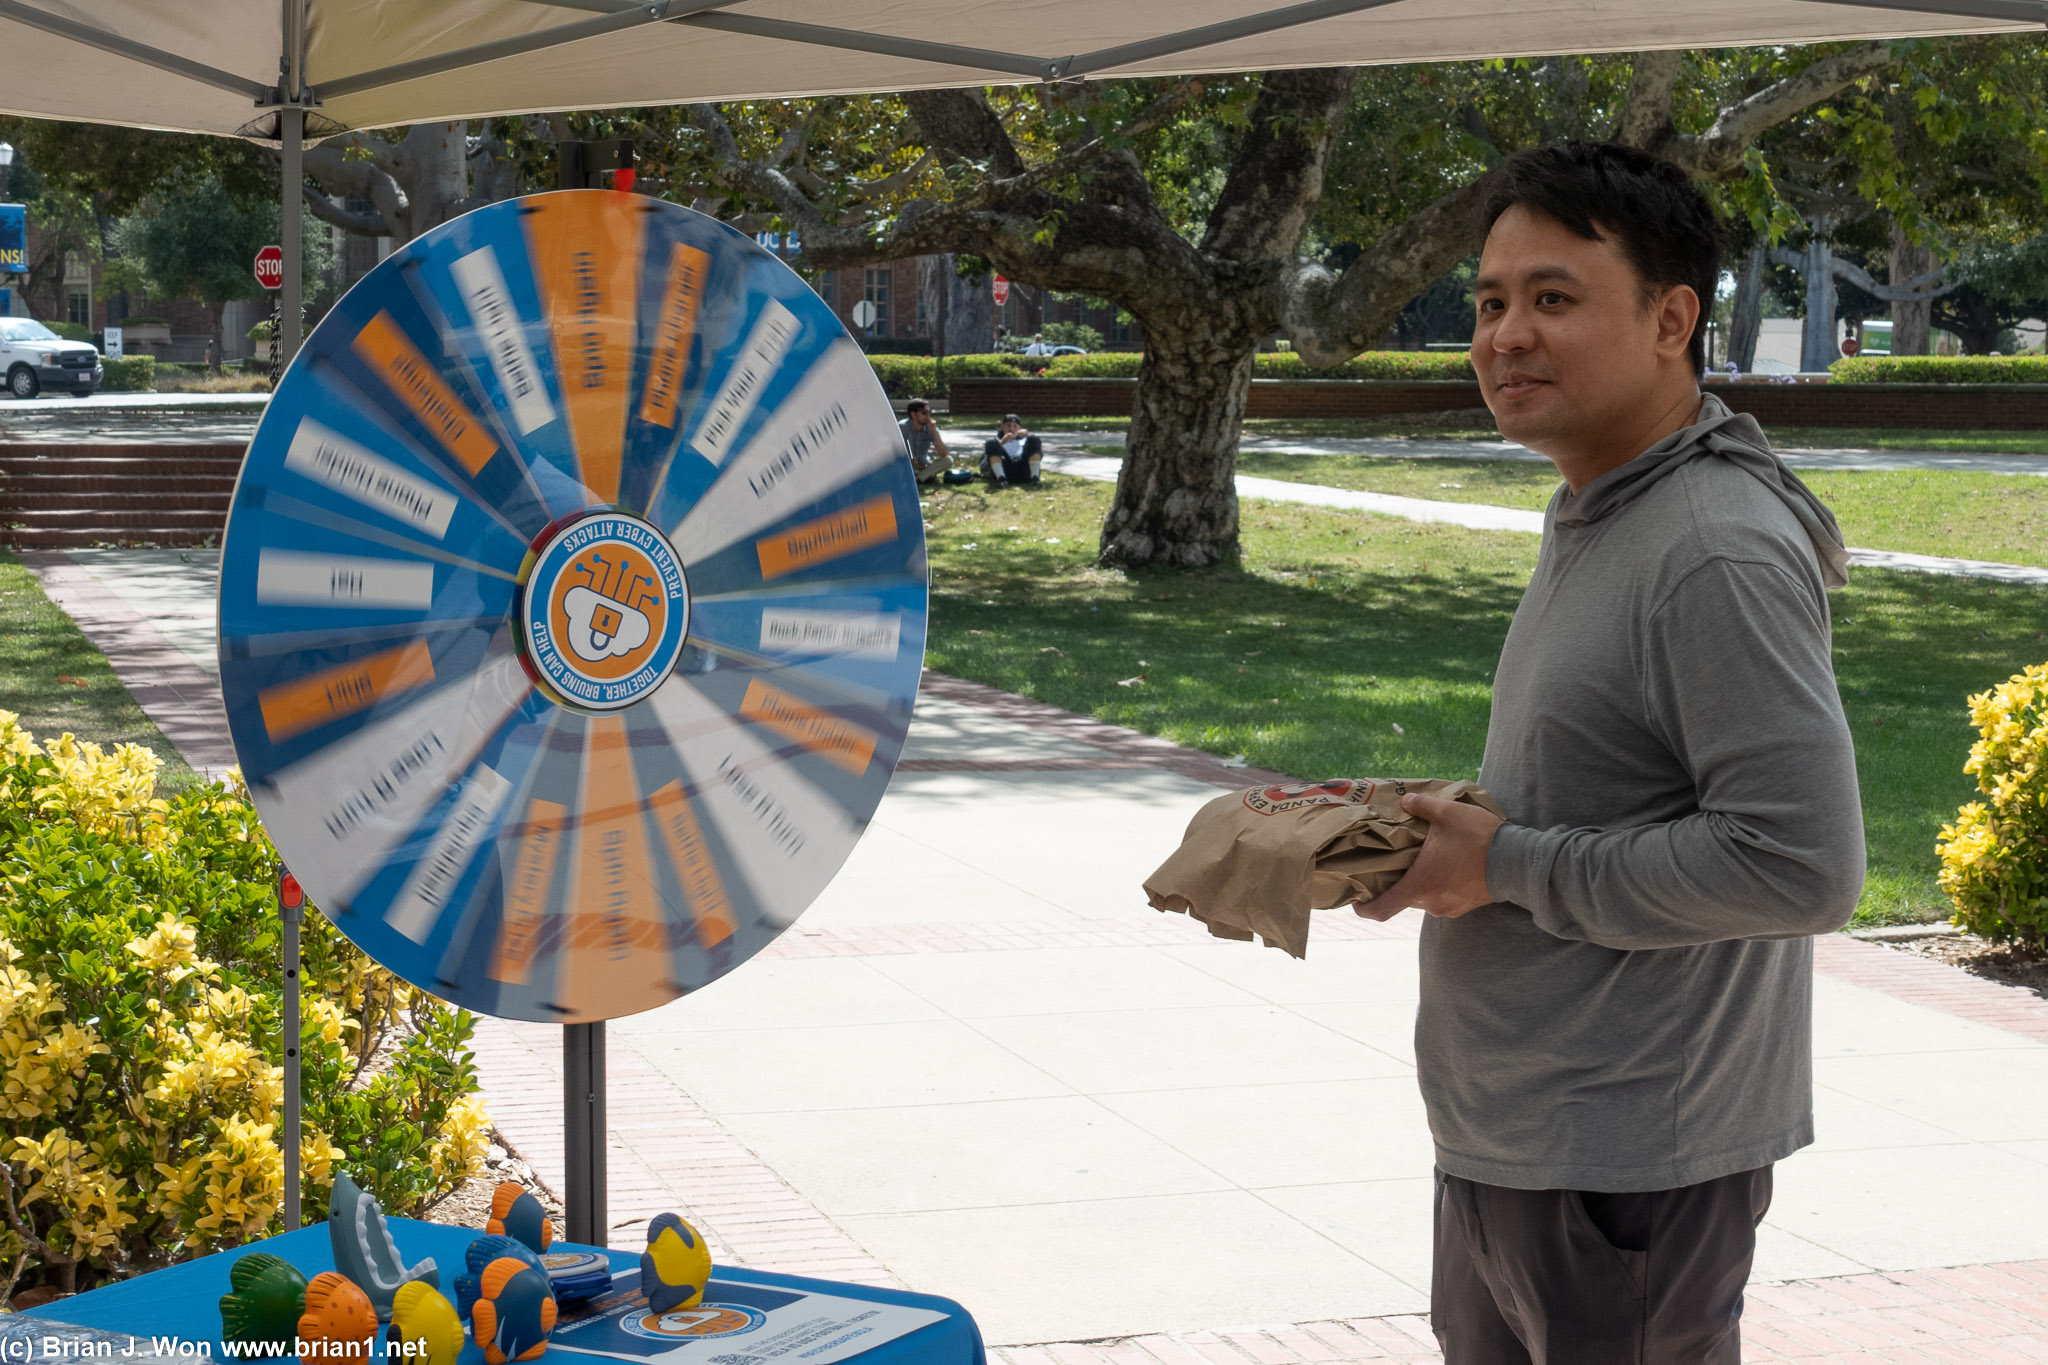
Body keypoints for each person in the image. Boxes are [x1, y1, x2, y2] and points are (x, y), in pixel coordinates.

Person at [1350, 140, 1864, 1364]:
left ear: (1670, 319)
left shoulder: (1710, 545)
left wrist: (1508, 864)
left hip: (1622, 1170)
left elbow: (1799, 867)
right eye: (1488, 301)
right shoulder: (1607, 498)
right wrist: (1454, 826)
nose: (1503, 335)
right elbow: (1617, 782)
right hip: (1527, 1142)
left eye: (1552, 298)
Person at [898, 398, 952, 485]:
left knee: (948, 460)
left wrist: (934, 431)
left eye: (929, 412)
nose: (928, 415)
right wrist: (909, 459)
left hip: (924, 465)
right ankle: (924, 477)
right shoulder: (902, 427)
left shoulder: (930, 427)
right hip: (906, 464)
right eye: (924, 412)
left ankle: (918, 478)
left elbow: (943, 453)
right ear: (913, 414)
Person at [981, 414, 1041, 488]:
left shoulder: (1026, 440)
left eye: (1015, 426)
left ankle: (1035, 479)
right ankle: (1001, 480)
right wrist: (1002, 442)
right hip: (1006, 470)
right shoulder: (997, 441)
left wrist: (1026, 434)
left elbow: (1037, 453)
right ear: (1002, 427)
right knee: (990, 441)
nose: (1011, 429)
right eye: (1008, 425)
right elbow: (985, 460)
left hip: (1024, 470)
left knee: (1035, 438)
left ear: (1020, 428)